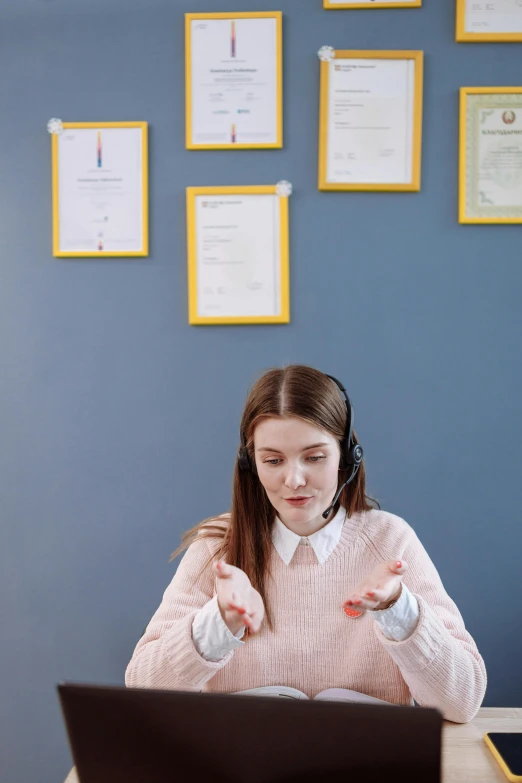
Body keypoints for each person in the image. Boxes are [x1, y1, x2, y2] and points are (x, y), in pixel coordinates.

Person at [125, 365, 486, 723]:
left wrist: (398, 609)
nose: (294, 479)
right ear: (250, 464)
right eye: (272, 460)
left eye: (314, 457)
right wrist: (219, 621)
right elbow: (141, 692)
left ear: (346, 458)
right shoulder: (216, 547)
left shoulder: (390, 540)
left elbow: (462, 702)